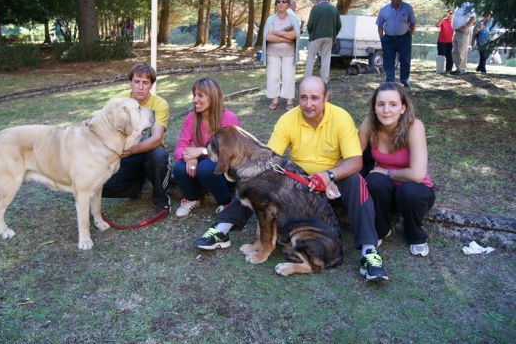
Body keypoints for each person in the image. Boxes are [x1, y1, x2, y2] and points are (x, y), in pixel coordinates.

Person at [194, 76, 389, 282]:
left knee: (357, 181)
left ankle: (369, 253)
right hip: (300, 181)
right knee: (256, 185)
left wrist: (329, 175)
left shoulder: (341, 118)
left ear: (326, 98)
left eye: (315, 98)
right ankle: (222, 228)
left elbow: (355, 161)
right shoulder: (288, 119)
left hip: (334, 178)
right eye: (303, 98)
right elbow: (267, 163)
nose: (308, 104)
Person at [358, 82, 436, 257]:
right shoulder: (369, 124)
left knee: (410, 192)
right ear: (374, 107)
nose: (386, 110)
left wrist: (386, 172)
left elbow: (417, 174)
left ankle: (415, 234)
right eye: (381, 104)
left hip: (416, 193)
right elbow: (354, 156)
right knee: (373, 181)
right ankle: (381, 229)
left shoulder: (414, 126)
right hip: (384, 191)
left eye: (393, 104)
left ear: (403, 108)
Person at [84, 63, 171, 215]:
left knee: (159, 155)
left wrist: (132, 150)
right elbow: (100, 124)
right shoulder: (117, 101)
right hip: (122, 156)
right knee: (98, 186)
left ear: (151, 85)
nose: (140, 87)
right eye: (137, 82)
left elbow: (156, 138)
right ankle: (135, 187)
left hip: (146, 152)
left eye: (145, 83)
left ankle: (161, 200)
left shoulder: (160, 104)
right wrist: (87, 125)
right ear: (129, 82)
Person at [172, 78, 240, 218]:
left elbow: (233, 151)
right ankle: (192, 199)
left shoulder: (228, 118)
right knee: (179, 168)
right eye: (194, 95)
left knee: (205, 168)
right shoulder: (191, 118)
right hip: (204, 165)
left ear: (213, 97)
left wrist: (202, 151)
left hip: (226, 169)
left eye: (200, 96)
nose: (195, 99)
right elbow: (180, 147)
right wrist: (189, 156)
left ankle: (226, 202)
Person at [261, 0, 301, 112]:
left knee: (288, 77)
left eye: (283, 1)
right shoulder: (271, 19)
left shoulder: (293, 19)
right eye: (278, 1)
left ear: (288, 4)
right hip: (272, 53)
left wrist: (278, 33)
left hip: (289, 53)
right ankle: (275, 100)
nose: (281, 4)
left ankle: (289, 101)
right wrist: (284, 38)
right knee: (273, 76)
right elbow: (267, 36)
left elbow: (295, 34)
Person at [376, 0, 416, 87]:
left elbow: (413, 22)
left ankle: (405, 79)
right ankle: (390, 80)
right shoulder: (384, 9)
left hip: (404, 38)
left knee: (405, 59)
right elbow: (380, 25)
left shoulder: (407, 8)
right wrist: (382, 38)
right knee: (389, 60)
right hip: (388, 39)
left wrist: (409, 35)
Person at [304, 0, 342, 83]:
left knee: (310, 58)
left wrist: (311, 33)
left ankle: (307, 79)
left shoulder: (315, 8)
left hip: (316, 36)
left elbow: (310, 25)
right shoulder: (334, 9)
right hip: (329, 37)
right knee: (326, 58)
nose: (316, 1)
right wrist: (334, 36)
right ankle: (324, 80)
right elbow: (339, 25)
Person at [451, 0, 476, 75]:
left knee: (462, 50)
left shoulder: (466, 5)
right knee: (455, 50)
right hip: (457, 31)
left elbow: (473, 18)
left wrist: (465, 26)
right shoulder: (458, 7)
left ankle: (462, 69)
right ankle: (458, 68)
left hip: (463, 31)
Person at [435, 9, 454, 73]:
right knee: (441, 55)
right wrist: (443, 18)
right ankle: (440, 69)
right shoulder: (444, 21)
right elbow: (437, 25)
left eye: (451, 14)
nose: (449, 15)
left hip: (450, 41)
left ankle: (449, 69)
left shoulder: (454, 22)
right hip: (442, 41)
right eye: (448, 13)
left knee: (450, 56)